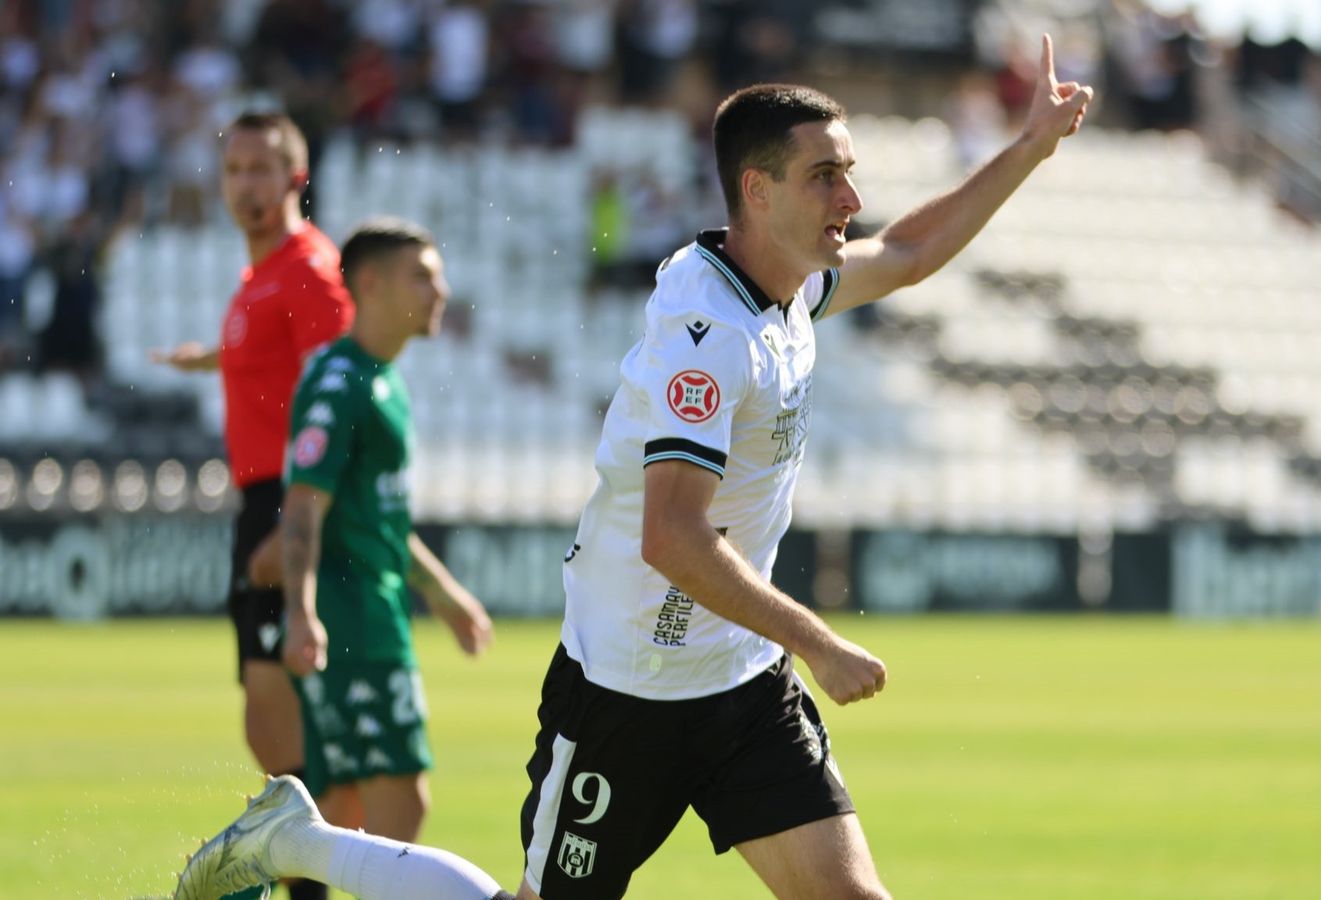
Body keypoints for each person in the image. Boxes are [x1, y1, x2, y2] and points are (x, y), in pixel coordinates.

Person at [175, 34, 1092, 900]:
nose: (850, 196)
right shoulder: (709, 334)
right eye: (826, 175)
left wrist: (1029, 147)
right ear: (757, 191)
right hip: (629, 686)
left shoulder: (789, 287)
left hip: (742, 681)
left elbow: (913, 252)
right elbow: (672, 537)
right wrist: (817, 639)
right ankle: (295, 842)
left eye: (848, 171)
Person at [151, 111, 354, 900]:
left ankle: (312, 880)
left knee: (282, 708)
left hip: (287, 497)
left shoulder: (306, 268)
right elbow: (278, 358)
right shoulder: (261, 276)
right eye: (234, 170)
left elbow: (335, 391)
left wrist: (300, 517)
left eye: (261, 168)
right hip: (261, 498)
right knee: (266, 711)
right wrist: (214, 359)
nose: (245, 185)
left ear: (296, 176)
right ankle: (306, 873)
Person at [267, 217, 494, 848]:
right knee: (401, 803)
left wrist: (442, 593)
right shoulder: (341, 383)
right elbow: (303, 509)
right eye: (421, 276)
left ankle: (247, 872)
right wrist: (301, 614)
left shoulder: (383, 379)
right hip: (353, 620)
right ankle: (240, 869)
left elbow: (381, 519)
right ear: (369, 283)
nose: (440, 291)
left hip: (371, 608)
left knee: (342, 805)